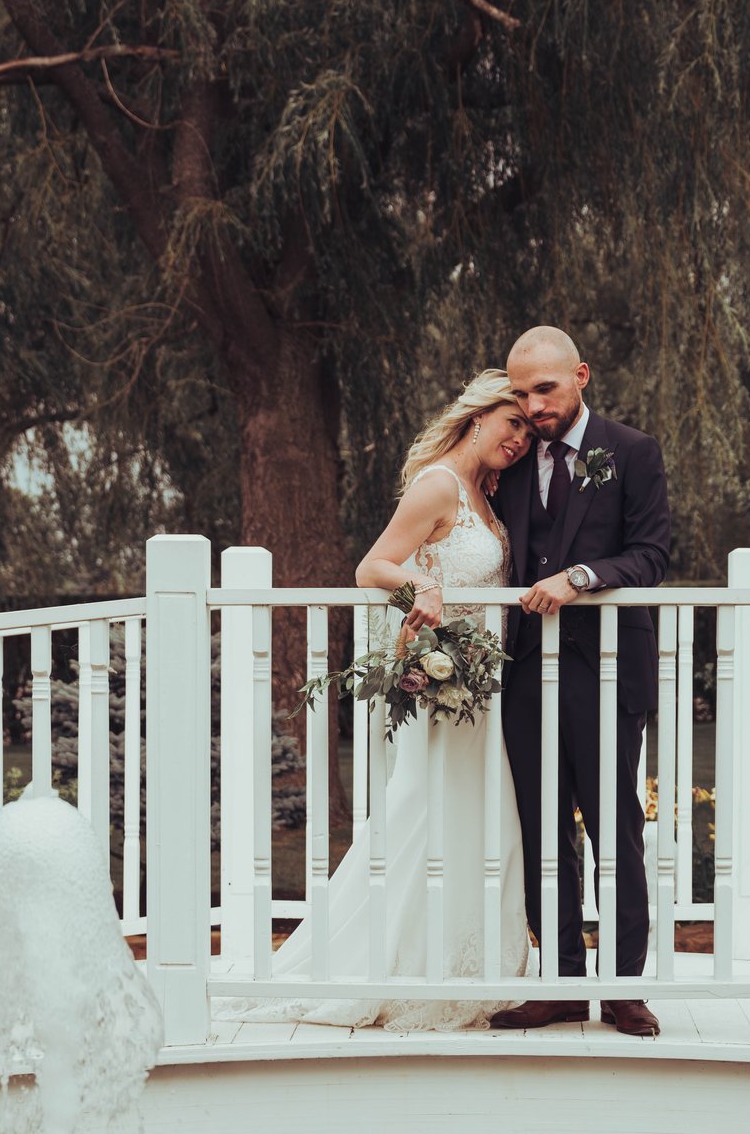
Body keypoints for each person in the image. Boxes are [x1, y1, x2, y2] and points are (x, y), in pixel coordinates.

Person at [217, 370, 537, 1029]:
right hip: (447, 688)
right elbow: (374, 566)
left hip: (480, 690)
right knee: (424, 816)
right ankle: (387, 962)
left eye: (532, 431)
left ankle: (469, 964)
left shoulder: (483, 489)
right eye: (513, 424)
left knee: (484, 823)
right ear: (478, 417)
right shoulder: (439, 485)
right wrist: (419, 592)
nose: (522, 439)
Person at [490, 326, 674, 1037]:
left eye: (546, 388)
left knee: (613, 828)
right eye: (523, 392)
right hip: (526, 676)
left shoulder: (631, 452)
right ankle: (561, 982)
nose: (534, 405)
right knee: (542, 831)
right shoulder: (507, 462)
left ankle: (625, 987)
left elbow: (652, 554)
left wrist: (581, 578)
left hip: (607, 674)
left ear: (581, 377)